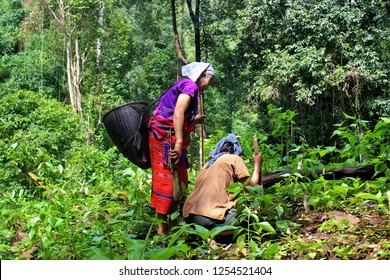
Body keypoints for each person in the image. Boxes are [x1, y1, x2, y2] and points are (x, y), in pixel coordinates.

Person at [149, 62, 215, 235]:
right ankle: (162, 230)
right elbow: (178, 111)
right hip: (165, 139)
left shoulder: (185, 85)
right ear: (203, 76)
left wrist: (194, 120)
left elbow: (177, 113)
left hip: (164, 136)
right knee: (168, 183)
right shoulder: (191, 86)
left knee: (180, 182)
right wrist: (178, 143)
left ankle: (173, 226)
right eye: (211, 79)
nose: (210, 84)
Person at [182, 134, 263, 231]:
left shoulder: (206, 166)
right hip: (209, 216)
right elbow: (252, 188)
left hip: (189, 216)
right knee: (249, 219)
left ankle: (199, 233)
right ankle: (214, 234)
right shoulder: (234, 158)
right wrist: (257, 165)